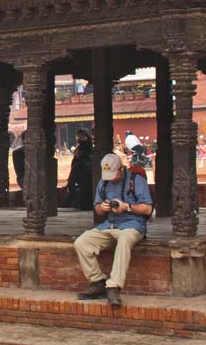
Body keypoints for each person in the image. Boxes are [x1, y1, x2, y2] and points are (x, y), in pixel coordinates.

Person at [74, 151, 154, 309]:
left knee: (124, 240)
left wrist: (127, 207)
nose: (110, 178)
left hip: (132, 225)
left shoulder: (136, 180)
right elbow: (97, 209)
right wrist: (102, 208)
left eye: (113, 174)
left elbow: (147, 209)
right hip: (109, 225)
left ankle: (114, 287)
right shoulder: (103, 182)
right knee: (81, 242)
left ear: (121, 169)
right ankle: (97, 282)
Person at [63, 129, 95, 210]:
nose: (79, 138)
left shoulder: (89, 147)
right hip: (77, 170)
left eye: (81, 136)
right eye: (78, 136)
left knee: (84, 189)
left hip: (85, 171)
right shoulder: (79, 148)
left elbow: (88, 159)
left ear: (86, 137)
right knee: (73, 186)